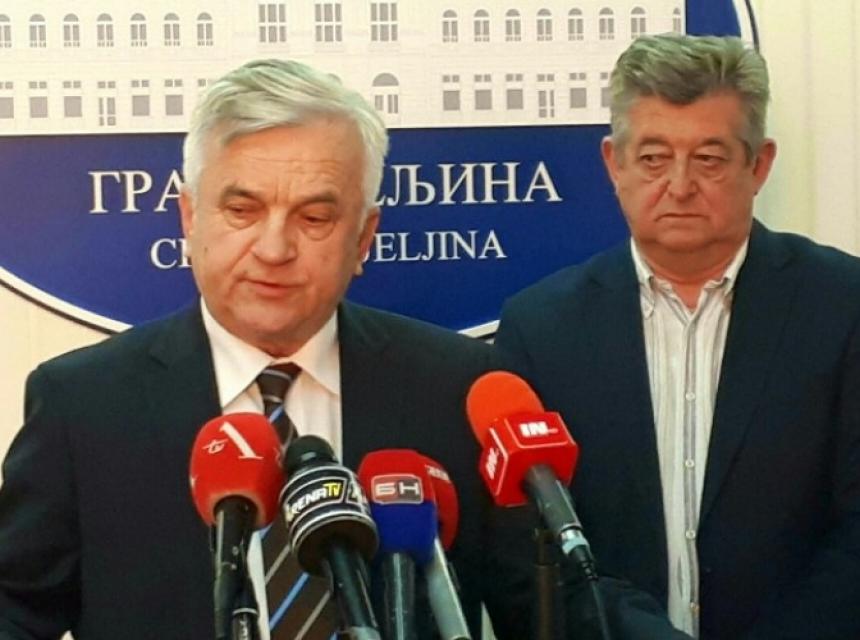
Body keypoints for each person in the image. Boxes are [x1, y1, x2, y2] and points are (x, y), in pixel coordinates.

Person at [0, 59, 536, 640]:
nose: (274, 248)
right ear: (189, 217)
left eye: (314, 216)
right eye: (242, 211)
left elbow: (540, 608)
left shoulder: (457, 389)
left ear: (364, 237)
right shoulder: (83, 405)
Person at [495, 34, 860, 640]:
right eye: (653, 158)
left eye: (709, 159)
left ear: (759, 165)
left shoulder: (843, 307)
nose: (681, 185)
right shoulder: (542, 327)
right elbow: (523, 550)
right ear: (614, 163)